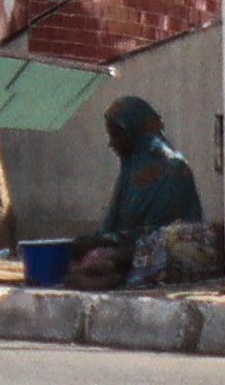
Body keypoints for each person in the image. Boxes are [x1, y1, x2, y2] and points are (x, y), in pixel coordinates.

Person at [87, 93, 211, 289]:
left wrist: (111, 242)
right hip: (132, 252)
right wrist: (94, 241)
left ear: (135, 131)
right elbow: (111, 224)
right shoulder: (130, 171)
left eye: (117, 135)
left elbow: (156, 233)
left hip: (165, 255)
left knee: (106, 265)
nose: (112, 143)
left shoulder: (174, 171)